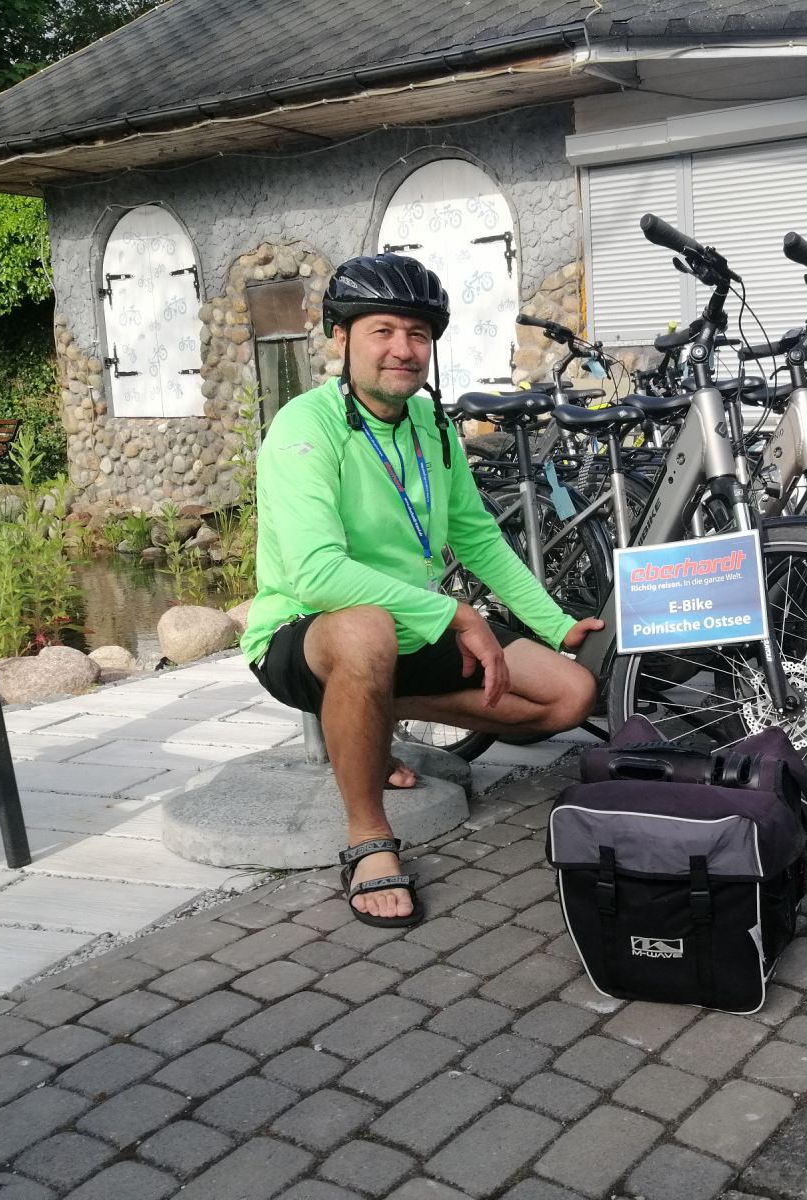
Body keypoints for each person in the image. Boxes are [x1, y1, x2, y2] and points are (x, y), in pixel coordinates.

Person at [240, 253, 601, 929]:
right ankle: (369, 837)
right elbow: (318, 574)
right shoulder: (304, 427)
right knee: (365, 628)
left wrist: (555, 625)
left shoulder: (431, 427)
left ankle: (372, 713)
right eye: (383, 331)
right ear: (340, 339)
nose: (404, 350)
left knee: (572, 695)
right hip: (307, 632)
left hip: (408, 630)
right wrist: (454, 613)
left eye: (418, 335)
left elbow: (479, 539)